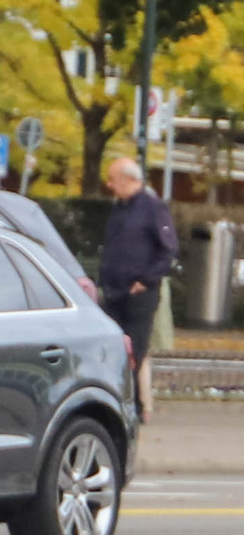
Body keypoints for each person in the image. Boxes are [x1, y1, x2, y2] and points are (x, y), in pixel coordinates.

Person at [99, 155, 178, 422]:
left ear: (130, 179)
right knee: (113, 346)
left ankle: (132, 408)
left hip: (138, 293)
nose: (110, 185)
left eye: (114, 179)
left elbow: (168, 250)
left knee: (134, 349)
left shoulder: (152, 207)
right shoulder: (119, 208)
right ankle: (120, 401)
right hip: (113, 289)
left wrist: (145, 280)